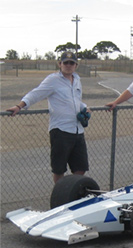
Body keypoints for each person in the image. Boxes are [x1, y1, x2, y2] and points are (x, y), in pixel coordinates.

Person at [6, 51, 90, 183]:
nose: (68, 65)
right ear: (60, 64)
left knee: (81, 168)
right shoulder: (53, 80)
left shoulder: (77, 79)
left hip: (78, 131)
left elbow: (76, 100)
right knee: (59, 169)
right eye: (65, 62)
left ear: (76, 65)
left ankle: (73, 192)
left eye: (71, 63)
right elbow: (35, 94)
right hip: (61, 131)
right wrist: (19, 106)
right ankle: (60, 195)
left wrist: (84, 107)